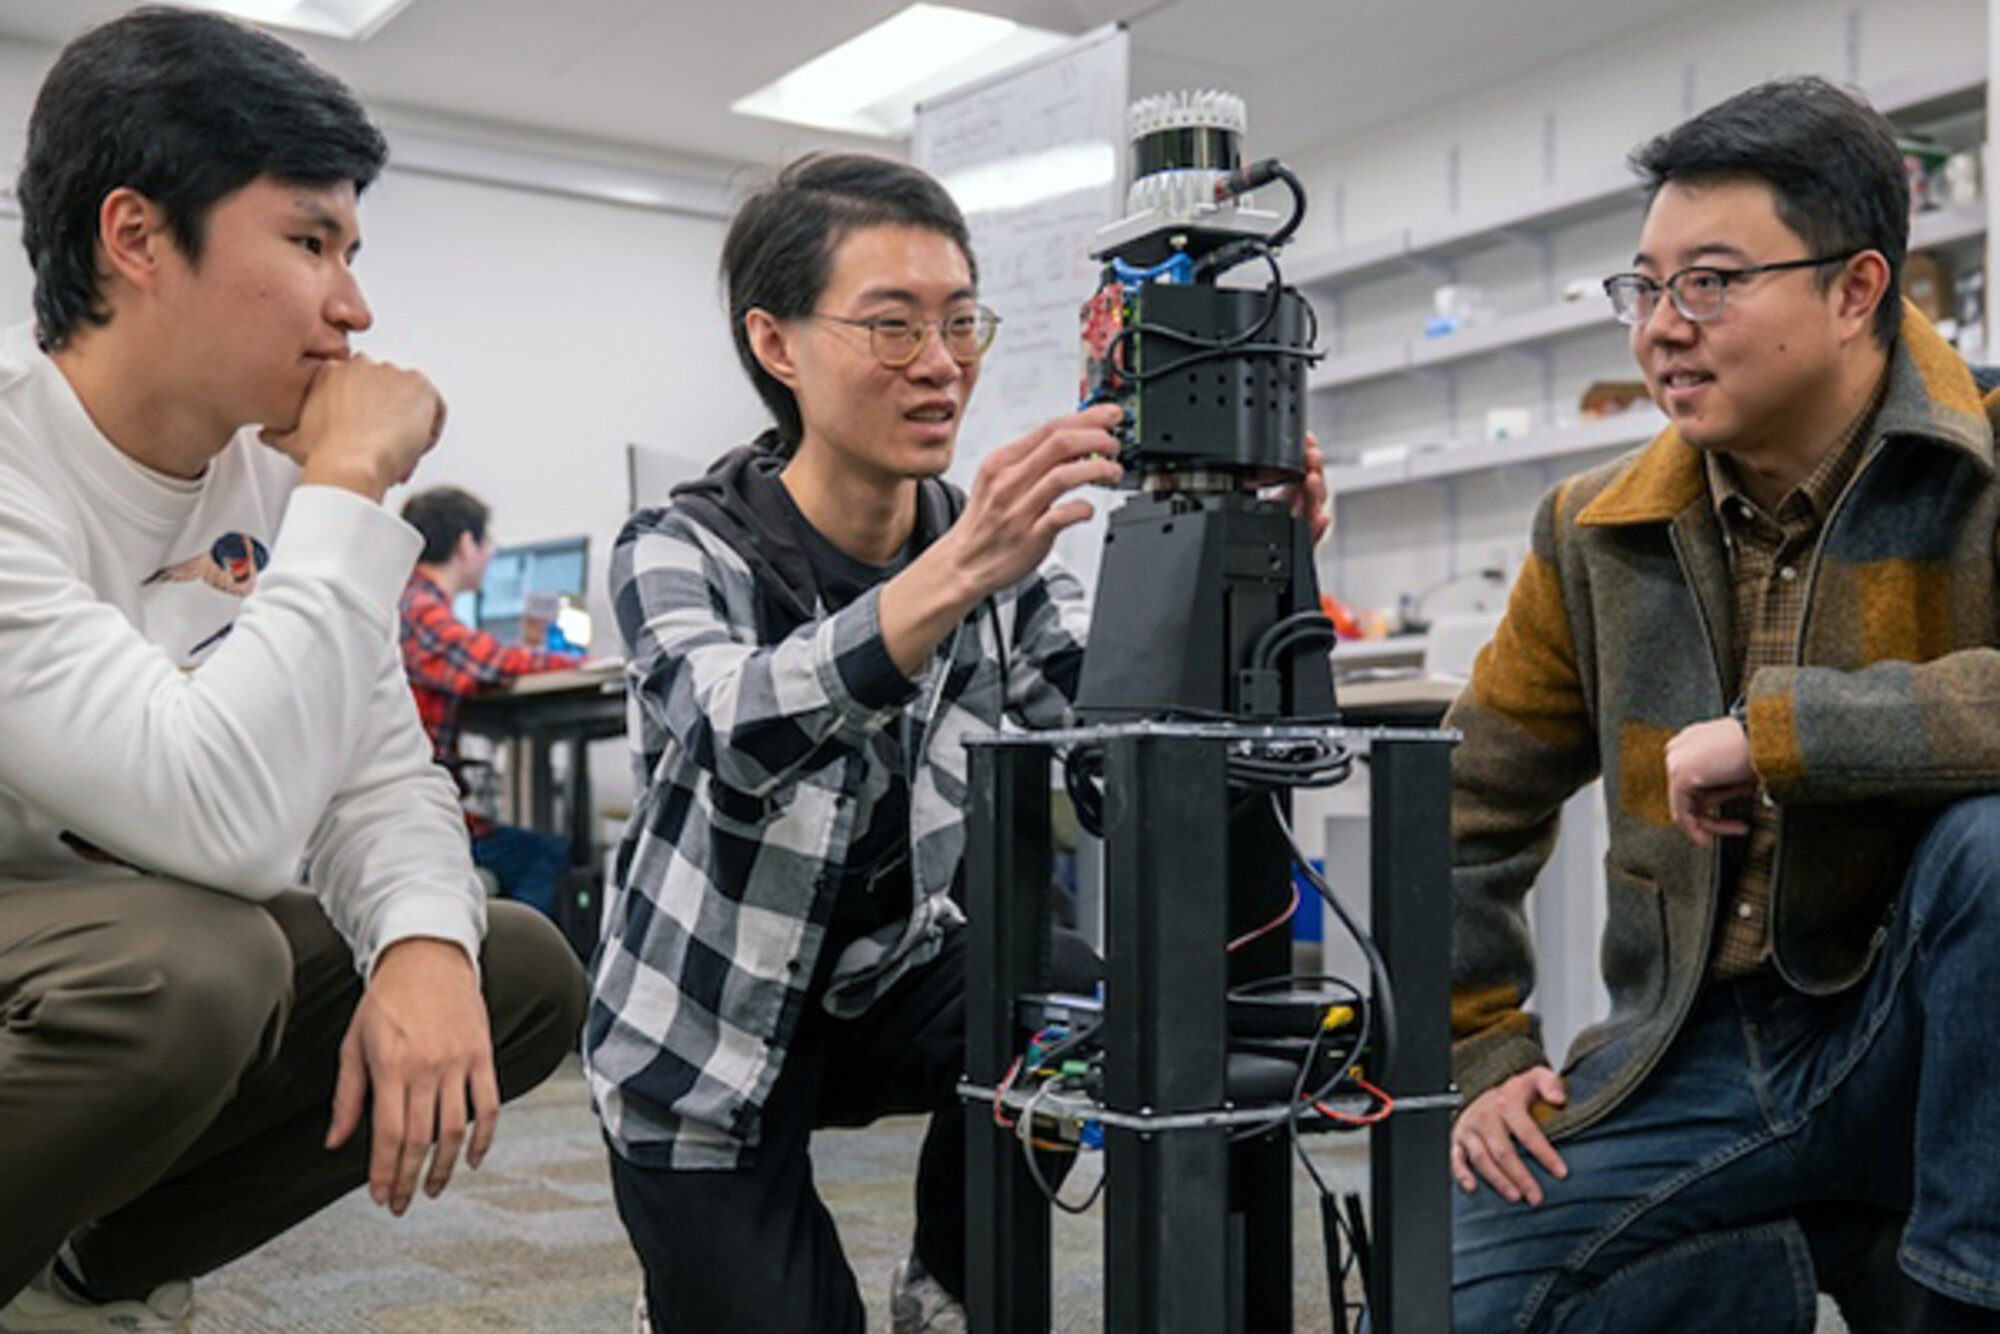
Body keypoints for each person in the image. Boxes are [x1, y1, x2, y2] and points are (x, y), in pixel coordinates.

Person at [585, 153, 1325, 1333]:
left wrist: (1249, 560)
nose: (940, 365)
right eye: (890, 328)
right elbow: (736, 728)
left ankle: (951, 1282)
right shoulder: (678, 546)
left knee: (1084, 992)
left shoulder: (992, 563)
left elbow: (1119, 744)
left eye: (959, 322)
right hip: (705, 1040)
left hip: (892, 981)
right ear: (775, 345)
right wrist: (954, 572)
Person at [0, 10, 586, 1332]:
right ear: (136, 237)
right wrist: (349, 481)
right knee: (195, 963)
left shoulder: (270, 483)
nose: (355, 306)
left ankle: (85, 1272)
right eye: (311, 241)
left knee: (512, 963)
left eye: (354, 249)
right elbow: (219, 817)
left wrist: (427, 943)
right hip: (74, 945)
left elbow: (379, 774)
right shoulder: (15, 466)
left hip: (121, 950)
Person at [1446, 76, 2000, 1333]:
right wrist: (1475, 1046)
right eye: (1641, 287)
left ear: (1855, 288)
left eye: (1708, 281)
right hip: (1692, 1048)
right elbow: (1465, 797)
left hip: (1923, 1030)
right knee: (1457, 1301)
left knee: (1989, 846)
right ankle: (1781, 1261)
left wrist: (1780, 733)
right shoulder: (1593, 531)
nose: (1658, 329)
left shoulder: (1987, 471)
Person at [398, 485, 585, 920]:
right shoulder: (417, 607)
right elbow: (490, 662)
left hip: (413, 803)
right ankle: (515, 967)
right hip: (421, 818)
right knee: (546, 853)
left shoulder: (404, 601)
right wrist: (577, 663)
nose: (491, 553)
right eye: (487, 543)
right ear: (467, 544)